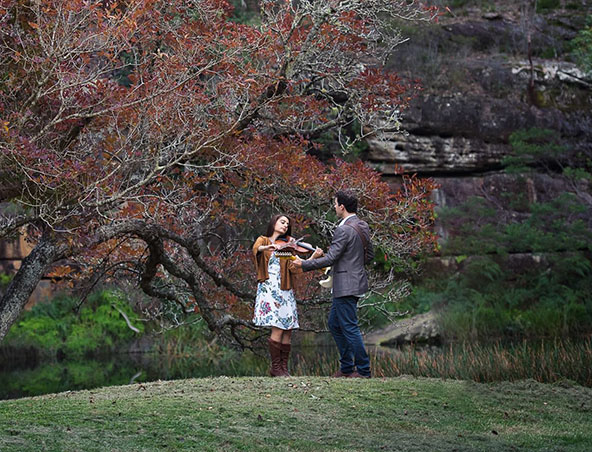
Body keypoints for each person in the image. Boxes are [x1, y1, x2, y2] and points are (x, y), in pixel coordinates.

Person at [293, 190, 374, 378]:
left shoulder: (343, 229)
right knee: (335, 324)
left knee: (349, 327)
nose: (335, 207)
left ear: (342, 207)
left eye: (336, 204)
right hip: (354, 282)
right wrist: (352, 265)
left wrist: (304, 264)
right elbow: (368, 255)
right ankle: (346, 368)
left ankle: (363, 371)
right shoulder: (362, 225)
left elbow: (331, 258)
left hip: (346, 285)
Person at [253, 214, 322, 377]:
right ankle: (276, 368)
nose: (285, 225)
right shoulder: (263, 240)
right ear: (273, 222)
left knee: (288, 328)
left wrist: (313, 257)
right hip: (270, 289)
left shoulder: (285, 249)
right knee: (277, 326)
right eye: (282, 222)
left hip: (285, 290)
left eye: (287, 224)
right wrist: (269, 248)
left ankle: (283, 368)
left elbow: (294, 267)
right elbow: (255, 249)